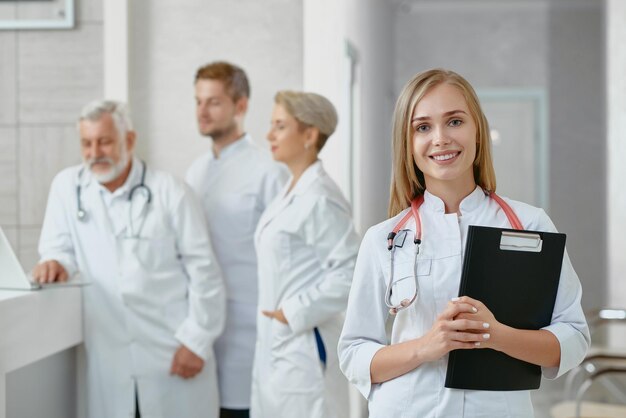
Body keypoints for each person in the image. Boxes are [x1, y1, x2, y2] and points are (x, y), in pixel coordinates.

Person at [338, 69, 590, 417]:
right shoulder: (384, 238)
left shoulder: (530, 225)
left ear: (478, 132)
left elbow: (574, 339)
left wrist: (495, 335)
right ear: (408, 143)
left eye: (454, 121)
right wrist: (426, 346)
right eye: (422, 127)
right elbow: (353, 353)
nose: (440, 138)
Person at [33, 100, 226, 418]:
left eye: (105, 141)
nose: (95, 152)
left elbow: (205, 272)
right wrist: (54, 263)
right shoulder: (68, 188)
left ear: (130, 140)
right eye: (86, 143)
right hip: (111, 359)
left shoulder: (170, 192)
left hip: (173, 351)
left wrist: (197, 341)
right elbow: (58, 249)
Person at [185, 61, 287, 418]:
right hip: (203, 330)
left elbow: (287, 257)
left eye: (213, 102)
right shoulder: (195, 172)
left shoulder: (269, 170)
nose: (202, 111)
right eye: (198, 101)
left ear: (240, 105)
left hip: (252, 331)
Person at [251, 91, 360, 418]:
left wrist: (292, 311)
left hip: (303, 347)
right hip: (279, 350)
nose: (269, 135)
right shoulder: (291, 190)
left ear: (310, 135)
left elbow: (352, 273)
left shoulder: (319, 198)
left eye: (280, 126)